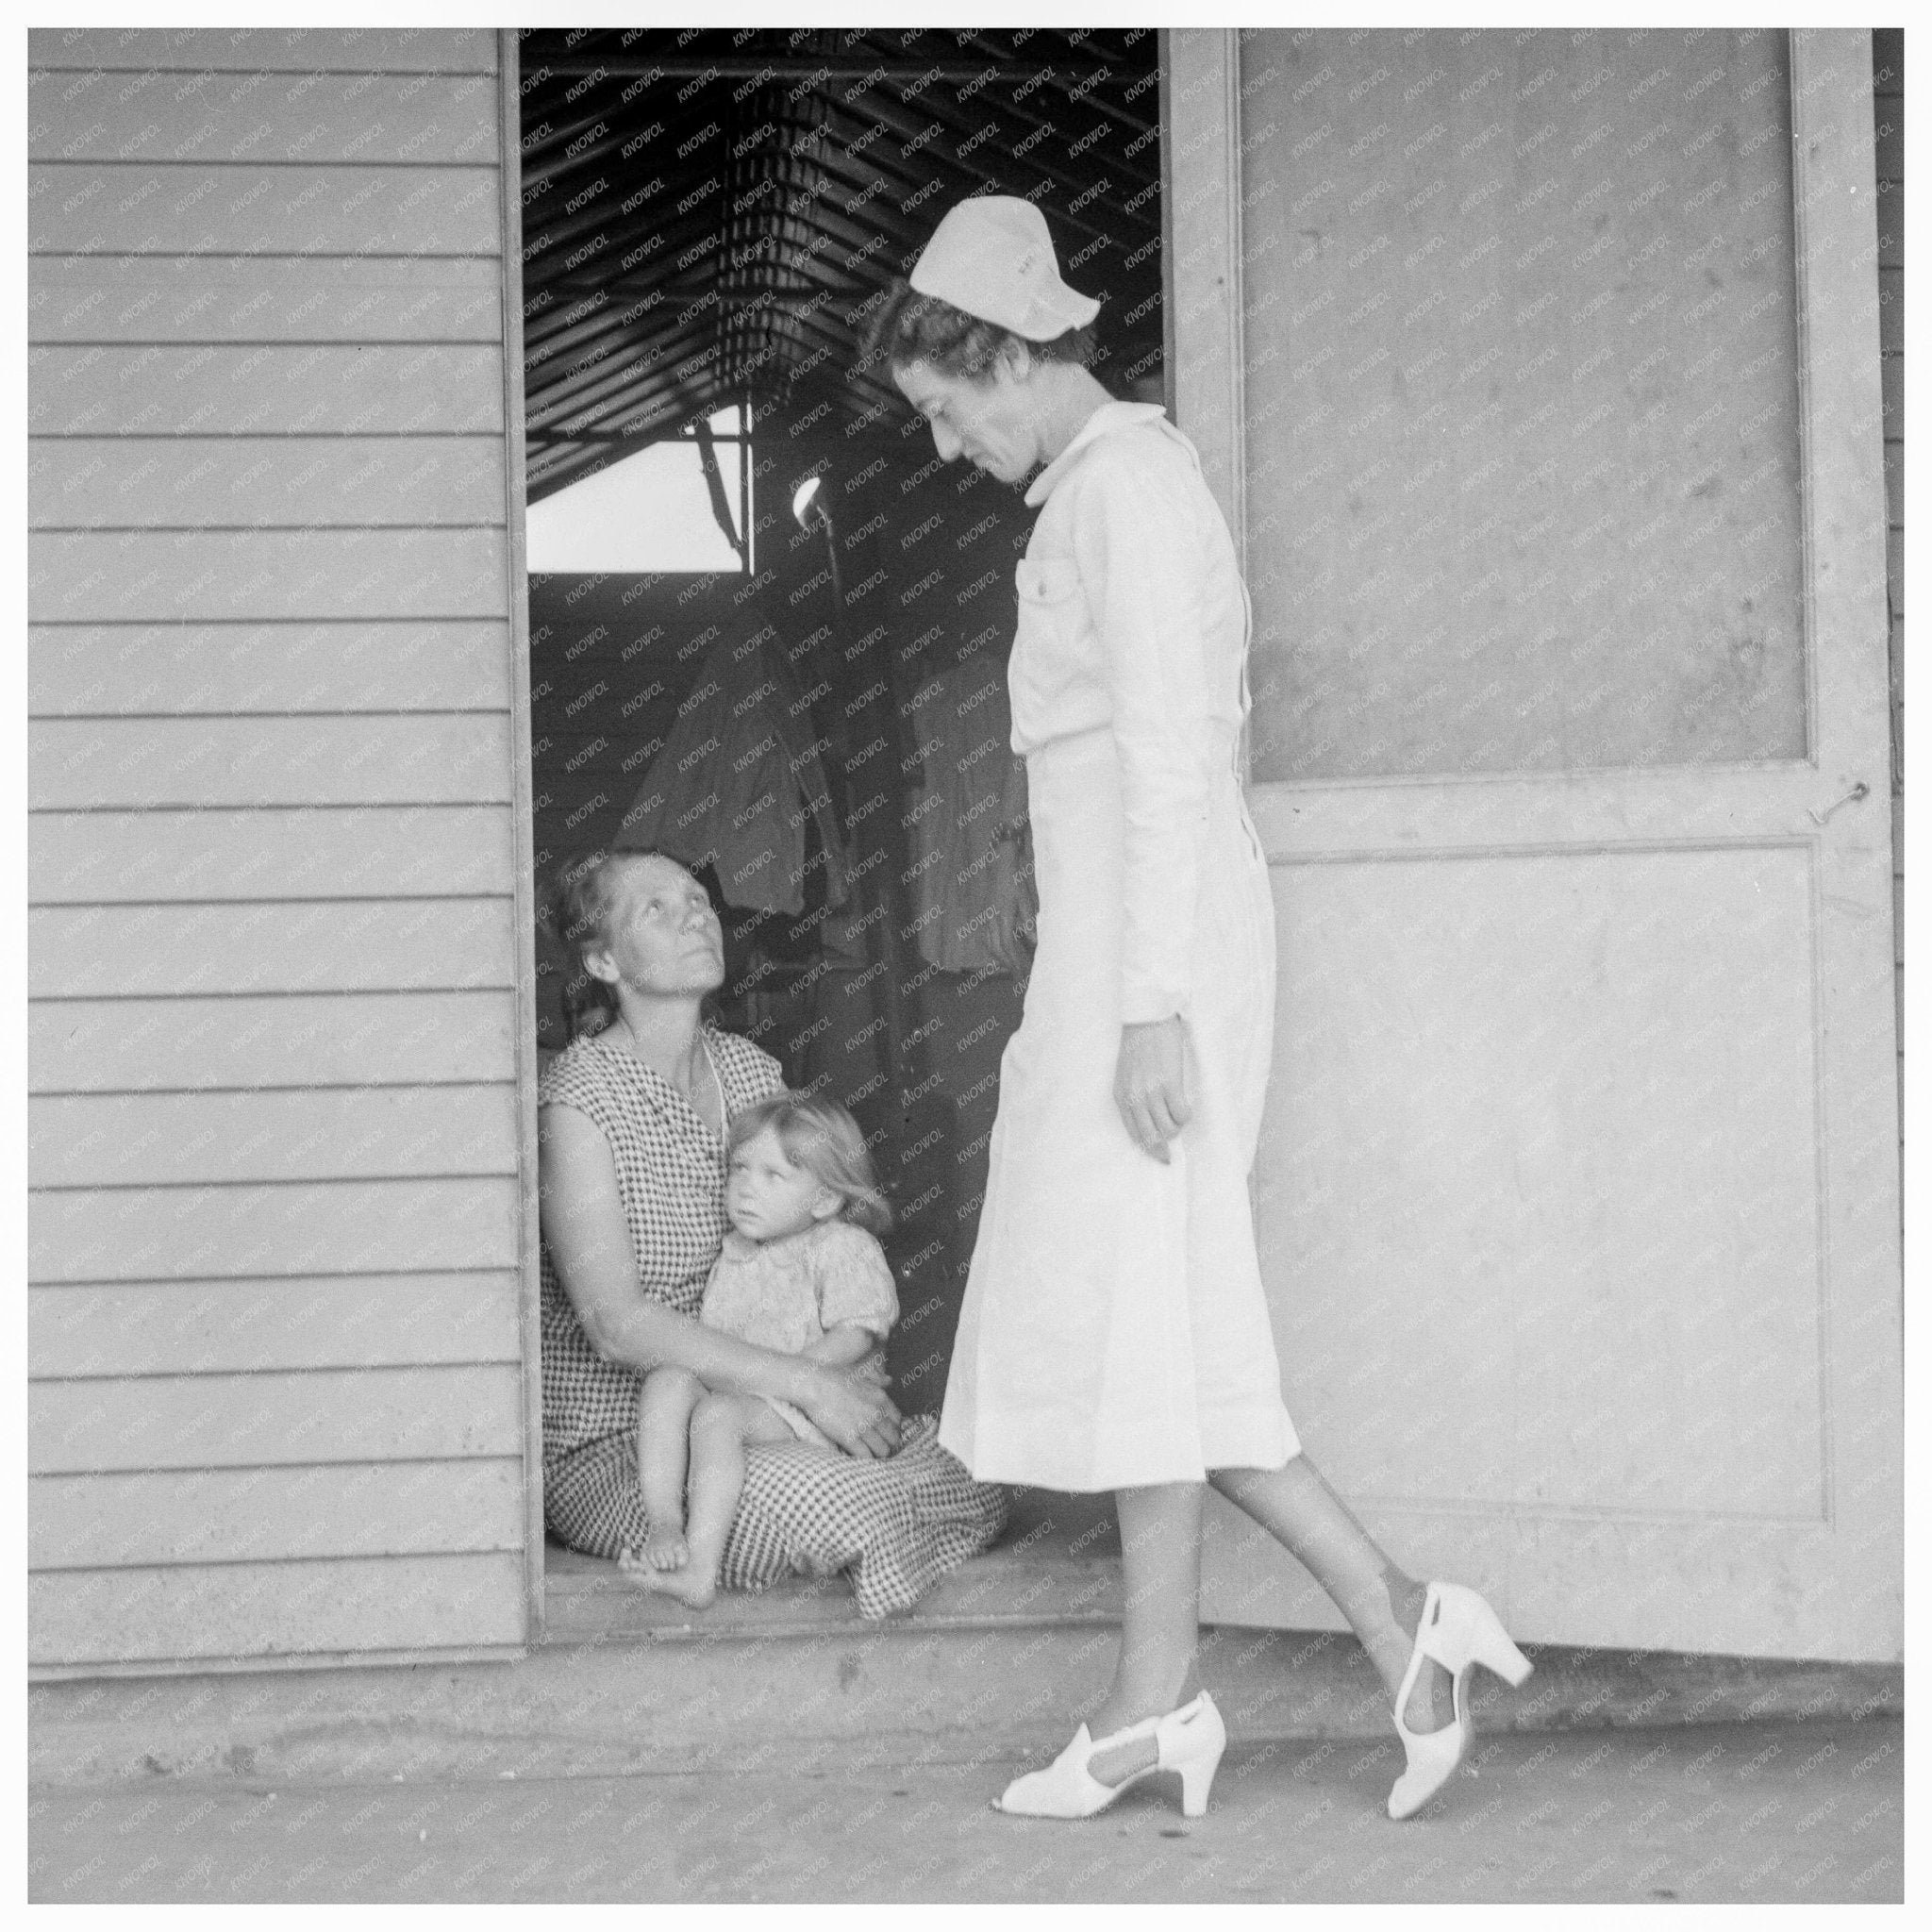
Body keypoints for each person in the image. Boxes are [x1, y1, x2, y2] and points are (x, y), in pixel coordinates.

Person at [862, 196, 1531, 1822]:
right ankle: (1161, 1700)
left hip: (1148, 963)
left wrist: (1149, 1004)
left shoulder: (1129, 495)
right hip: (1111, 946)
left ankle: (1385, 1614)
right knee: (1140, 1319)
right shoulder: (1094, 491)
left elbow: (1167, 754)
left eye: (949, 412)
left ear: (1012, 357)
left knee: (1142, 1312)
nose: (946, 451)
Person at [538, 847, 1007, 1619]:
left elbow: (823, 1236)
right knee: (853, 1505)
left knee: (980, 1465)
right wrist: (811, 1385)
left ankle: (869, 1520)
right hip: (632, 1446)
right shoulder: (578, 1101)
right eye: (654, 908)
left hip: (767, 1412)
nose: (693, 913)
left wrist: (835, 1374)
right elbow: (616, 1324)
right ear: (602, 960)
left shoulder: (752, 1074)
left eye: (696, 898)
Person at [621, 1093, 900, 1608]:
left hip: (811, 1410)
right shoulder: (738, 1252)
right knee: (664, 1382)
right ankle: (663, 1519)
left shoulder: (841, 1247)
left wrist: (781, 1379)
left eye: (774, 1176)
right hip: (752, 1394)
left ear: (824, 1200)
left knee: (717, 1417)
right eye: (740, 1169)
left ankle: (700, 1570)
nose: (746, 1187)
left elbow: (857, 1332)